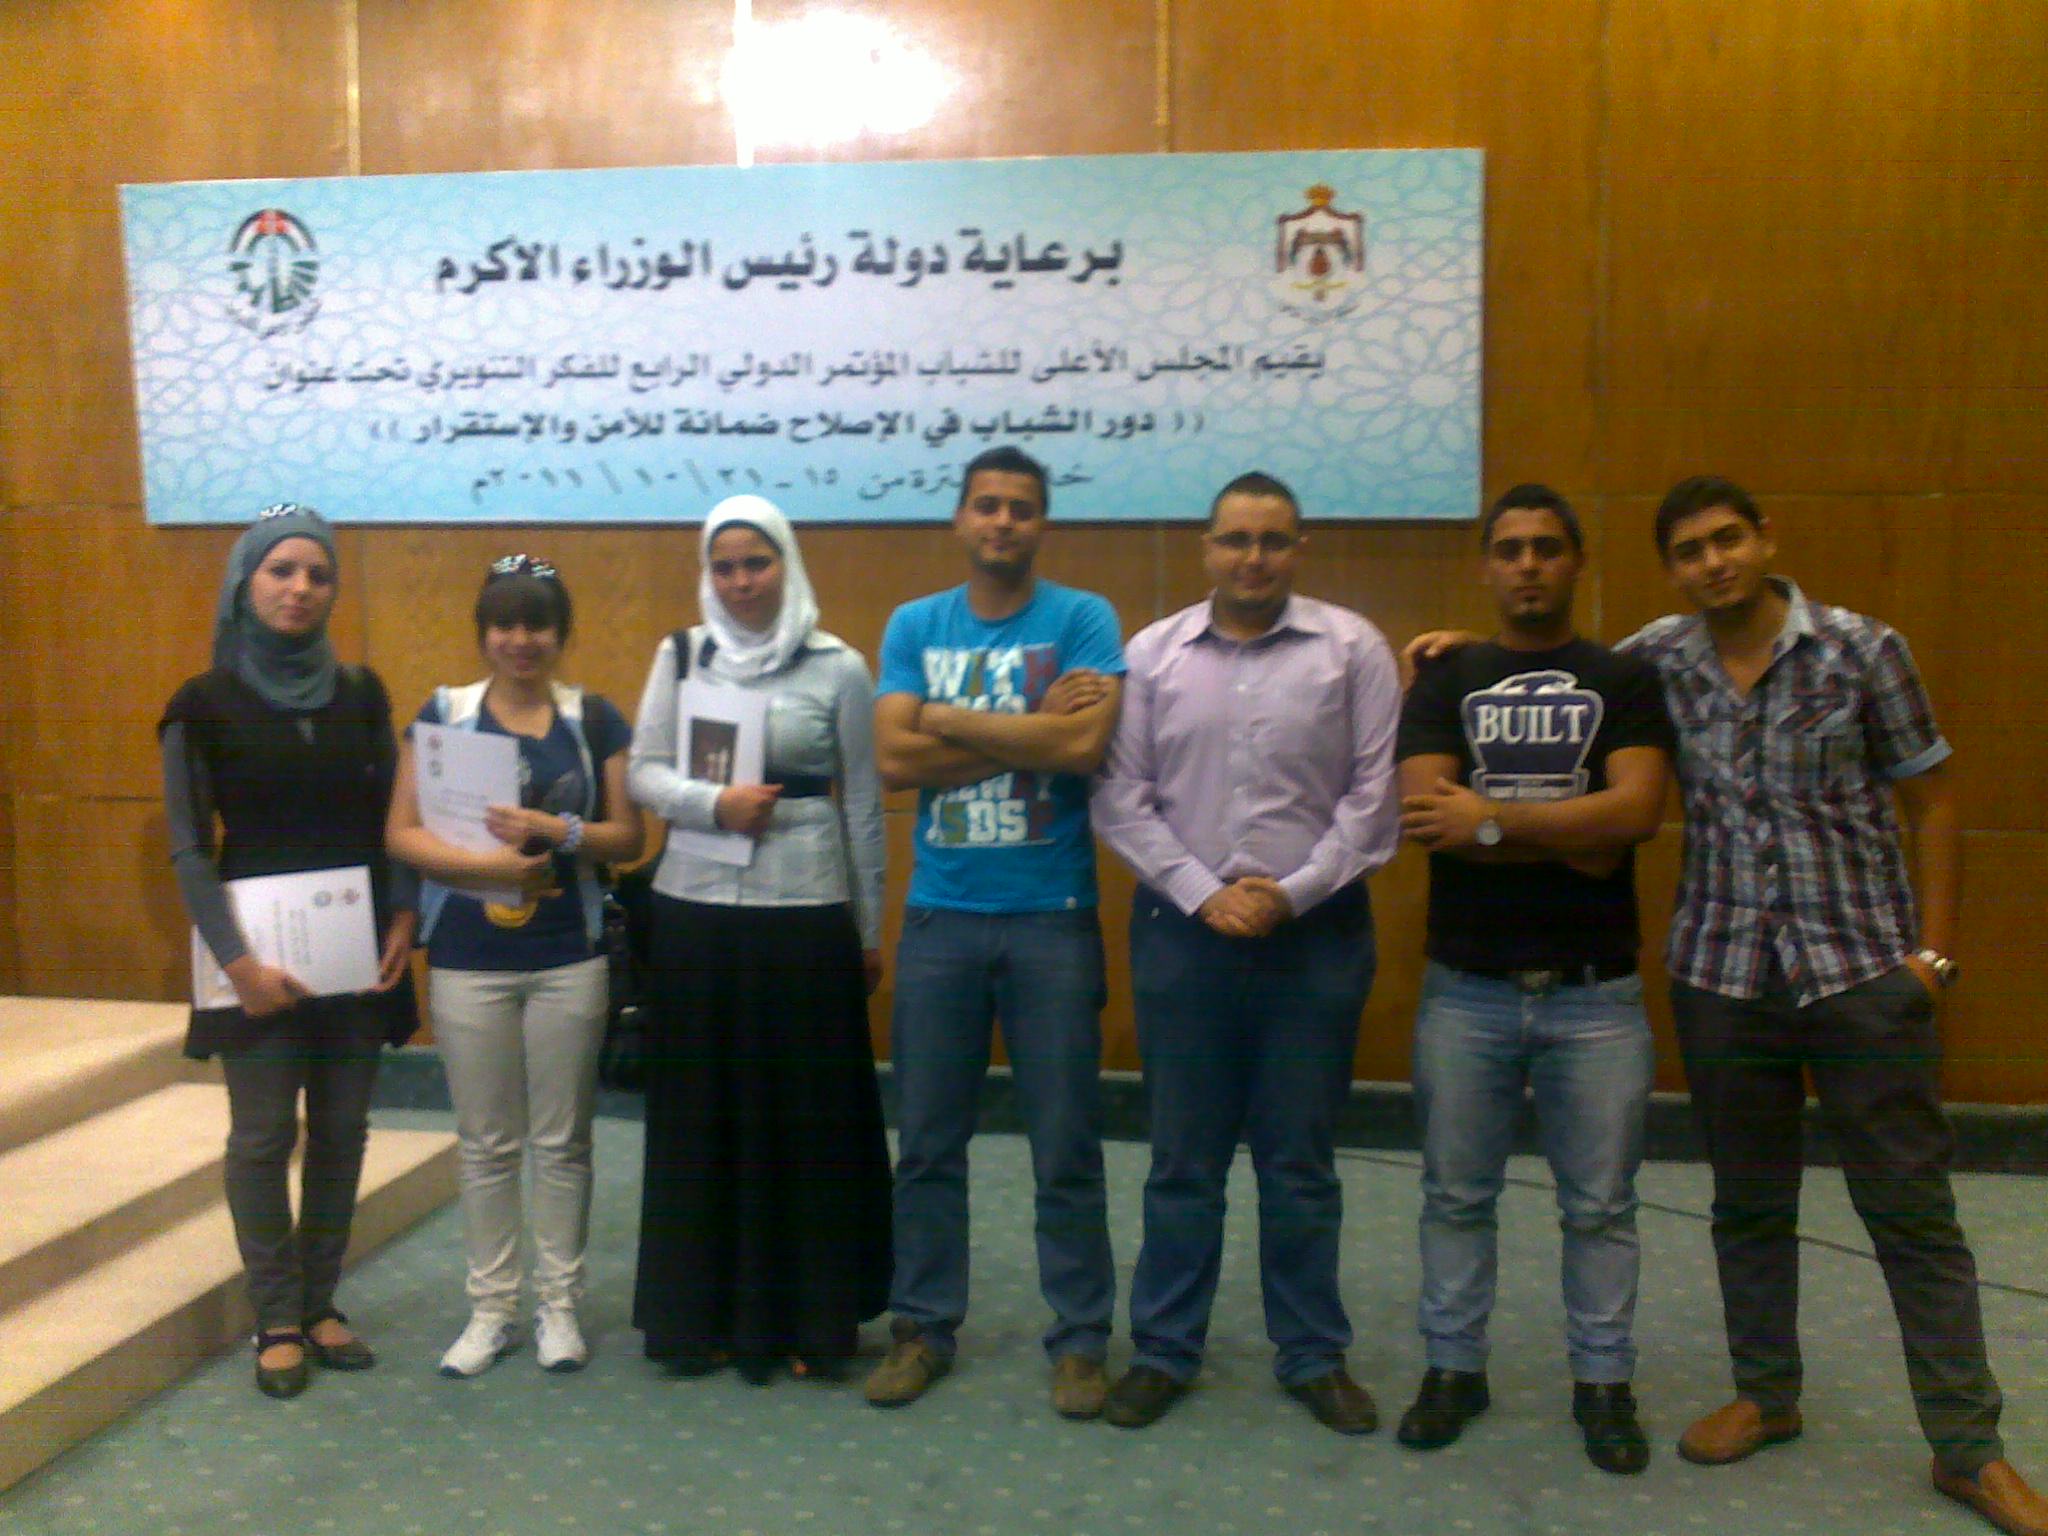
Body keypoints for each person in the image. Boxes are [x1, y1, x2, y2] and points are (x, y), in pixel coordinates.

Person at [1404, 476, 2047, 1536]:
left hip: (1857, 972)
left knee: (1910, 1212)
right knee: (1747, 1206)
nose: (1713, 563)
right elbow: (1550, 661)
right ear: (1671, 569)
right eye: (1690, 550)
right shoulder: (1658, 659)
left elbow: (1933, 796)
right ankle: (1767, 1395)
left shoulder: (1861, 649)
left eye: (1727, 540)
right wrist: (1465, 649)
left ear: (1764, 538)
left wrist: (1931, 957)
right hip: (1723, 975)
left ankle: (1967, 1447)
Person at [1090, 472, 1400, 1432]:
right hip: (1185, 934)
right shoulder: (1153, 656)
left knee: (1299, 1159)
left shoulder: (1353, 649)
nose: (1253, 558)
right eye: (1235, 539)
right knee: (1182, 1159)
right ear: (1207, 548)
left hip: (1317, 933)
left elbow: (1374, 801)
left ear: (1298, 548)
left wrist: (1289, 894)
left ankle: (1311, 1354)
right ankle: (1164, 1350)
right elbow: (1121, 799)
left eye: (1272, 540)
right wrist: (1205, 893)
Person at [1392, 484, 1673, 1473]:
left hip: (1596, 995)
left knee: (1599, 1207)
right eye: (1508, 549)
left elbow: (1635, 815)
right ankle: (1452, 1369)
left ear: (1575, 561)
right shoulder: (1444, 677)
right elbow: (1428, 819)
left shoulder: (1625, 678)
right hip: (1464, 988)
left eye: (1546, 548)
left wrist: (1493, 821)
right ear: (1485, 564)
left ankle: (1602, 1385)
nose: (1527, 565)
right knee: (1454, 1196)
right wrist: (1572, 833)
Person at [864, 445, 1125, 1419]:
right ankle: (922, 1329)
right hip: (942, 921)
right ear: (960, 519)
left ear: (1040, 522)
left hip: (1052, 919)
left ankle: (1080, 1341)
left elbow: (1082, 744)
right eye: (986, 505)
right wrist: (1023, 726)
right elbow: (893, 761)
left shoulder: (1083, 619)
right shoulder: (914, 624)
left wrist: (944, 719)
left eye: (1020, 507)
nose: (1002, 521)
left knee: (1067, 1145)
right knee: (929, 1144)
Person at [628, 494, 891, 1384]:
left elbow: (862, 804)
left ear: (787, 564)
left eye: (757, 562)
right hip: (696, 913)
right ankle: (698, 1319)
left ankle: (807, 1321)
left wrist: (868, 927)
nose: (741, 582)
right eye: (725, 566)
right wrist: (714, 804)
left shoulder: (840, 667)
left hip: (804, 915)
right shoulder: (681, 655)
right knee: (702, 1119)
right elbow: (644, 774)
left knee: (804, 1124)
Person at [157, 503, 417, 1399]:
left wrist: (405, 914)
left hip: (359, 955)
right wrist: (237, 965)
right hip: (255, 963)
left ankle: (319, 1302)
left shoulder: (364, 693)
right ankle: (275, 1314)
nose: (301, 588)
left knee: (343, 1130)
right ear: (246, 582)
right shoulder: (200, 704)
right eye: (281, 570)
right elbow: (190, 850)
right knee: (265, 1135)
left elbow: (396, 821)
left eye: (318, 574)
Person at [386, 555, 643, 1377]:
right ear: (483, 633)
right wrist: (491, 869)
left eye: (538, 623)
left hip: (570, 954)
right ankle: (491, 1309)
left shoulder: (593, 717)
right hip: (469, 958)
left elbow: (629, 837)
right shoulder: (445, 714)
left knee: (562, 1143)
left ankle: (558, 1307)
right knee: (486, 1143)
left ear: (562, 634)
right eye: (505, 623)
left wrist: (554, 830)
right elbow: (401, 832)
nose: (521, 639)